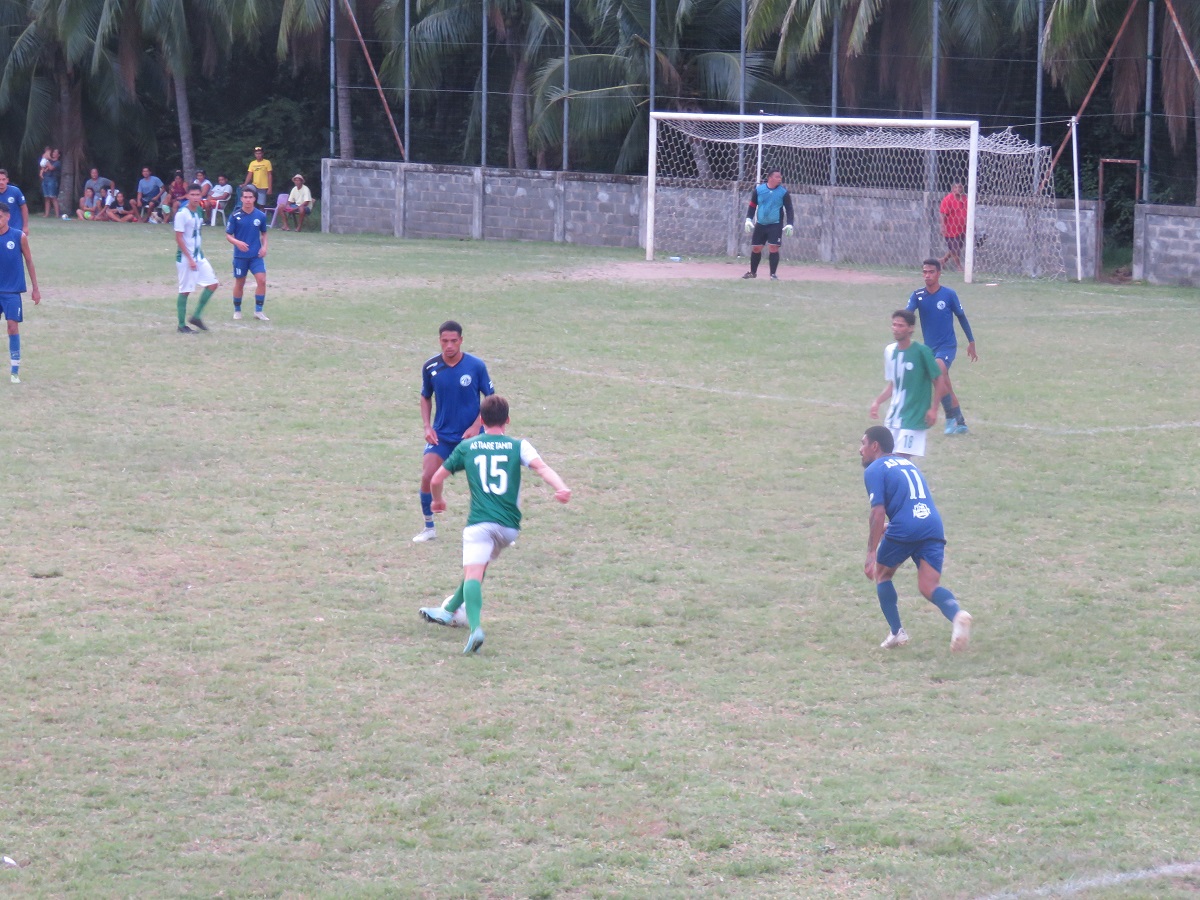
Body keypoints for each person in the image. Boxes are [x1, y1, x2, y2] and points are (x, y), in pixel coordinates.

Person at [418, 394, 571, 654]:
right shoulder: (519, 446)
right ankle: (449, 610)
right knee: (478, 568)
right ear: (507, 420)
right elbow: (542, 468)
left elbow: (435, 479)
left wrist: (438, 500)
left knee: (473, 573)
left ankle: (475, 629)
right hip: (509, 528)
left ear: (481, 420)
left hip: (480, 524)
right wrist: (561, 488)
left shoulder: (468, 447)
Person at [860, 425, 972, 652]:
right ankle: (958, 616)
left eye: (863, 444)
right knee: (929, 586)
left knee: (882, 574)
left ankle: (896, 632)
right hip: (932, 525)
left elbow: (877, 512)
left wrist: (871, 552)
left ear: (875, 446)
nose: (860, 450)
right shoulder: (908, 464)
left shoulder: (874, 469)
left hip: (905, 528)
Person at [413, 321, 495, 543]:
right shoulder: (430, 367)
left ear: (461, 340)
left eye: (453, 341)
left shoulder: (476, 366)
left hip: (472, 436)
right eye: (445, 341)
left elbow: (491, 398)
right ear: (439, 340)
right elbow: (425, 396)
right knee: (427, 476)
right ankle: (429, 527)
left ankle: (495, 529)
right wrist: (427, 426)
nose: (449, 345)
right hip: (442, 435)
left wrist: (477, 425)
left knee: (484, 482)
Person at [906, 258, 978, 436]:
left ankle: (949, 417)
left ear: (939, 274)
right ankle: (960, 422)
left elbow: (962, 317)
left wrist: (971, 342)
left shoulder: (948, 294)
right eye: (924, 272)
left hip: (947, 346)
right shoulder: (918, 295)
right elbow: (907, 315)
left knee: (937, 372)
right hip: (929, 348)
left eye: (931, 272)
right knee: (944, 384)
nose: (927, 275)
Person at [869, 309, 944, 459]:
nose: (896, 329)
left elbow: (939, 380)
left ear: (911, 328)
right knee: (885, 457)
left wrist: (934, 409)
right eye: (894, 325)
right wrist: (877, 402)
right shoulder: (890, 351)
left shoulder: (922, 352)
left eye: (901, 325)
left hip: (915, 416)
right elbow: (893, 385)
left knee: (901, 458)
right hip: (894, 416)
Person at [0, 203, 41, 384]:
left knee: (12, 327)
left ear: (7, 217)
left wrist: (35, 288)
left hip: (12, 291)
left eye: (0, 217)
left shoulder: (18, 236)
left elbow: (29, 261)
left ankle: (14, 371)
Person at [173, 183, 219, 334]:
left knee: (213, 284)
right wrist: (190, 258)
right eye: (192, 195)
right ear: (187, 196)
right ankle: (181, 325)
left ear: (201, 195)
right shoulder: (182, 213)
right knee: (185, 290)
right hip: (186, 258)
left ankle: (196, 316)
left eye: (197, 194)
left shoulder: (199, 210)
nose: (195, 197)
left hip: (199, 256)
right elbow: (179, 238)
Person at [225, 187, 270, 321]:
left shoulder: (260, 215)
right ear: (241, 199)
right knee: (240, 283)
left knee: (262, 280)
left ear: (254, 199)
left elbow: (264, 234)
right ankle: (237, 310)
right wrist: (237, 242)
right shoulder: (235, 216)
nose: (248, 200)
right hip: (240, 256)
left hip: (256, 256)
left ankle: (258, 311)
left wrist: (264, 247)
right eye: (245, 197)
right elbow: (228, 235)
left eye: (250, 197)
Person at [741, 167, 794, 280]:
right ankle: (752, 273)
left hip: (775, 224)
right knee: (756, 248)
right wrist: (748, 219)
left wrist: (790, 224)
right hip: (760, 224)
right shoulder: (759, 190)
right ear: (770, 178)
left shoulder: (783, 193)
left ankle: (773, 274)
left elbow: (789, 209)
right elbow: (752, 206)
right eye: (777, 177)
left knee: (773, 247)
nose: (780, 179)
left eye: (780, 177)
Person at [939, 181, 968, 272]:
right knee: (955, 250)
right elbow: (942, 214)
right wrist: (942, 226)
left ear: (962, 188)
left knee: (956, 248)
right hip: (950, 229)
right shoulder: (948, 199)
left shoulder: (965, 199)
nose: (958, 189)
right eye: (955, 187)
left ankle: (942, 261)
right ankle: (959, 267)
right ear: (952, 189)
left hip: (962, 229)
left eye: (960, 187)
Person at [40, 149, 61, 218]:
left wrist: (47, 160)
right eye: (53, 152)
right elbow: (43, 167)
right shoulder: (49, 161)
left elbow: (51, 168)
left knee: (53, 197)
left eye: (55, 152)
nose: (54, 153)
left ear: (58, 155)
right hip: (45, 179)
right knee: (46, 197)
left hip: (52, 180)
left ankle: (57, 214)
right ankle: (46, 214)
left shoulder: (57, 163)